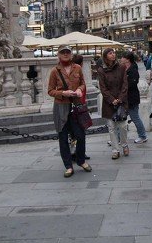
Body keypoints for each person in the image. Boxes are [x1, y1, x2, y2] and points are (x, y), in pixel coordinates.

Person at [47, 46, 92, 177]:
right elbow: (50, 91)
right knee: (63, 137)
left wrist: (79, 90)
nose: (65, 54)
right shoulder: (54, 71)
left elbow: (83, 83)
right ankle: (68, 166)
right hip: (61, 107)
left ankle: (81, 160)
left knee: (80, 135)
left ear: (71, 54)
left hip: (76, 106)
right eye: (63, 52)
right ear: (58, 55)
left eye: (68, 52)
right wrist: (63, 93)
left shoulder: (77, 68)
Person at [97, 48, 129, 159]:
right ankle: (115, 150)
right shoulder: (101, 70)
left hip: (121, 101)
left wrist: (120, 98)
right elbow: (103, 87)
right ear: (105, 56)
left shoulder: (121, 67)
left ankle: (124, 144)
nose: (113, 54)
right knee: (111, 127)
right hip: (108, 103)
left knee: (123, 126)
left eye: (114, 53)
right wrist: (111, 99)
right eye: (110, 53)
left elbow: (125, 84)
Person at [121, 52, 148, 144]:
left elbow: (133, 83)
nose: (121, 59)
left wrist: (123, 87)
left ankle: (142, 136)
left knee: (135, 117)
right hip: (125, 98)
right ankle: (119, 137)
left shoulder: (133, 69)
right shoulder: (124, 68)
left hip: (131, 98)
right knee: (120, 118)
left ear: (127, 59)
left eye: (123, 57)